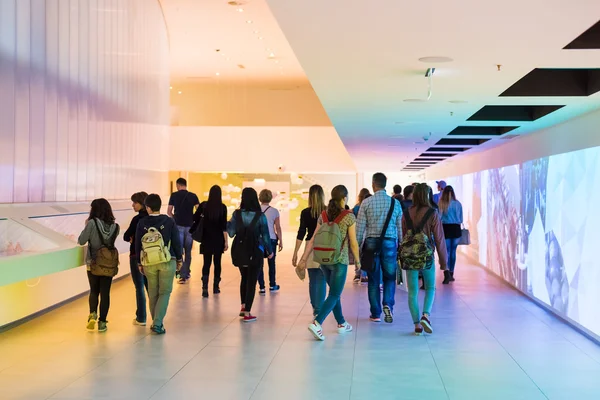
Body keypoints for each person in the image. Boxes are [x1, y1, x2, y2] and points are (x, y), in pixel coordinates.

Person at [299, 185, 360, 341]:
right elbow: (353, 242)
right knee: (334, 293)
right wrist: (358, 262)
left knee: (334, 292)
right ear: (344, 198)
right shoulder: (349, 216)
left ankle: (341, 323)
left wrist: (304, 258)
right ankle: (317, 322)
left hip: (323, 260)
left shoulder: (323, 215)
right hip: (340, 260)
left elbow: (312, 239)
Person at [356, 173, 403, 324]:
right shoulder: (395, 203)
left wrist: (356, 247)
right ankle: (388, 305)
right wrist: (401, 244)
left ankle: (375, 313)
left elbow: (360, 228)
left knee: (373, 280)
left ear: (373, 184)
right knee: (390, 277)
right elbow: (400, 227)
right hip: (390, 242)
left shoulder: (366, 202)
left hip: (371, 243)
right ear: (385, 183)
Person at [402, 183, 448, 335]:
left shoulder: (406, 213)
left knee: (412, 291)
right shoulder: (433, 213)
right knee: (430, 288)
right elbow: (440, 239)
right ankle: (425, 315)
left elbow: (404, 237)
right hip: (426, 256)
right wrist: (444, 262)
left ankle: (417, 325)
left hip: (410, 256)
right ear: (428, 195)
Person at [136, 194, 183, 335]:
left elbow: (138, 244)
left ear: (148, 208)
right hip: (167, 261)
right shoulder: (168, 221)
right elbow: (176, 241)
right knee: (165, 292)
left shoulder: (142, 222)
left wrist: (139, 263)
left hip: (149, 263)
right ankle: (157, 323)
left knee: (153, 293)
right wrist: (180, 259)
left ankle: (156, 322)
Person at [227, 188, 274, 322]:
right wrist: (270, 252)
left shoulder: (237, 214)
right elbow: (266, 236)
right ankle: (247, 313)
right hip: (255, 252)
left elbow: (230, 233)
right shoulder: (260, 216)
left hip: (240, 251)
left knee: (244, 278)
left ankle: (243, 307)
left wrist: (228, 223)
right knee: (252, 281)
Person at [78, 198, 120, 332]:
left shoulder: (91, 223)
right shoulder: (115, 226)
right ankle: (102, 323)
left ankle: (92, 315)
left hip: (93, 262)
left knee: (94, 291)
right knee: (105, 293)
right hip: (108, 263)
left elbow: (81, 240)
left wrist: (86, 227)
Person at [292, 184, 327, 317]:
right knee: (322, 278)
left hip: (310, 247)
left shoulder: (306, 212)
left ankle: (316, 308)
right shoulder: (327, 211)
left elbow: (301, 233)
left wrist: (296, 252)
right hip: (325, 246)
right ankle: (320, 307)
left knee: (313, 279)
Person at [191, 185, 228, 298]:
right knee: (217, 263)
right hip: (218, 239)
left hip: (206, 238)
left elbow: (195, 218)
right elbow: (224, 227)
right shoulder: (222, 207)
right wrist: (226, 242)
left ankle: (205, 288)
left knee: (206, 263)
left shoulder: (203, 205)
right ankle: (216, 287)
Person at [122, 191, 149, 326]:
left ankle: (141, 317)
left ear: (142, 203)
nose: (133, 205)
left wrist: (132, 238)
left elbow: (126, 236)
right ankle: (156, 317)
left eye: (135, 202)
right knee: (151, 287)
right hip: (152, 257)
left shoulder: (137, 220)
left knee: (139, 287)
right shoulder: (154, 219)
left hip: (136, 256)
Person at [168, 178, 200, 284]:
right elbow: (199, 211)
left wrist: (174, 219)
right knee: (188, 251)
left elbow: (169, 211)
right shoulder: (193, 196)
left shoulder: (174, 195)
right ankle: (186, 273)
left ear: (178, 185)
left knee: (179, 251)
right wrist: (193, 220)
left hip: (178, 226)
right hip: (190, 227)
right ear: (185, 185)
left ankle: (181, 275)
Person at [258, 189, 283, 295]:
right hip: (271, 239)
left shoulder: (256, 210)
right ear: (270, 198)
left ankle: (262, 287)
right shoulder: (275, 211)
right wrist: (281, 240)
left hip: (258, 239)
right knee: (272, 263)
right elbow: (278, 227)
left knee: (259, 264)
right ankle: (272, 285)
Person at [438, 186, 463, 284]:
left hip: (446, 229)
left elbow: (439, 218)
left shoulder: (442, 204)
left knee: (446, 252)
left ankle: (446, 273)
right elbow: (461, 219)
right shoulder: (458, 204)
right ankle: (452, 273)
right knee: (453, 252)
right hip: (456, 228)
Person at [352, 188, 371, 283]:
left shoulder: (356, 207)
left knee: (358, 253)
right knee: (366, 253)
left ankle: (357, 273)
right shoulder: (370, 205)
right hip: (368, 232)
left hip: (358, 231)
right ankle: (365, 274)